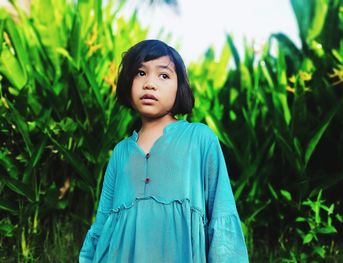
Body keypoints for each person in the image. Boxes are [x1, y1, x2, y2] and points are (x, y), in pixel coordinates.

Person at [79, 39, 249, 263]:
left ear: (180, 88)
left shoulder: (200, 139)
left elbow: (221, 213)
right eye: (140, 73)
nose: (149, 83)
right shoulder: (120, 153)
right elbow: (103, 225)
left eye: (163, 75)